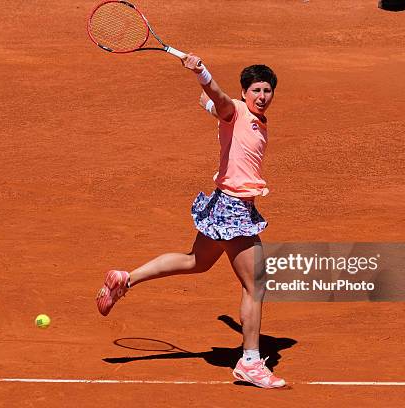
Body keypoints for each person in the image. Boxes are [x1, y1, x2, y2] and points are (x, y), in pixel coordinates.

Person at [95, 53, 286, 389]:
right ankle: (251, 361)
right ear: (244, 92)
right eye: (256, 89)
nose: (262, 96)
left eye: (267, 90)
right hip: (234, 209)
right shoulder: (238, 110)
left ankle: (126, 279)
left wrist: (209, 106)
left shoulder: (245, 116)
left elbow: (218, 108)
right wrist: (202, 73)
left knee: (195, 261)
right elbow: (221, 100)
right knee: (255, 285)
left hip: (227, 205)